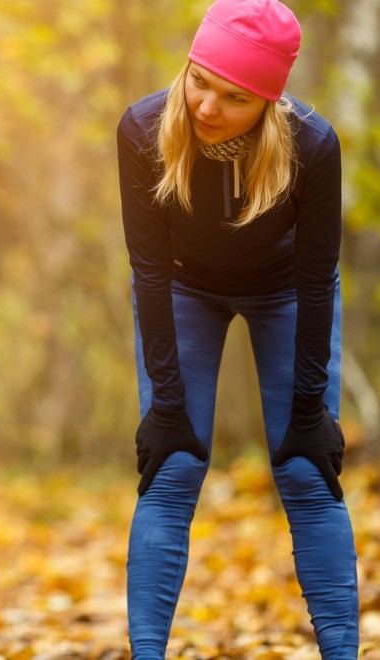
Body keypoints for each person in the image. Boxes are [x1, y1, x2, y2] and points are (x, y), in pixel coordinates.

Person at [116, 0, 359, 657]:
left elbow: (316, 280)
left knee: (308, 470)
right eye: (199, 80)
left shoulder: (312, 146)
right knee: (171, 465)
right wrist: (166, 402)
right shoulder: (142, 130)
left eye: (235, 96)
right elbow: (147, 271)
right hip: (183, 287)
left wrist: (309, 407)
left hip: (285, 294)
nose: (206, 107)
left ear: (269, 104)